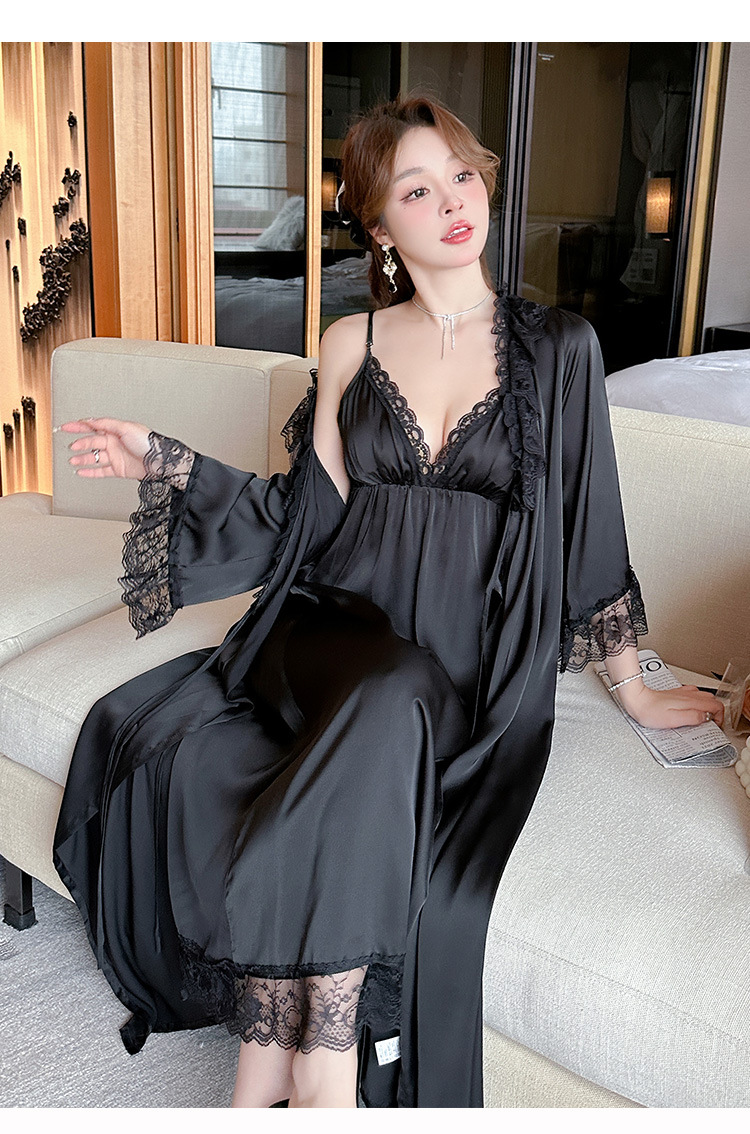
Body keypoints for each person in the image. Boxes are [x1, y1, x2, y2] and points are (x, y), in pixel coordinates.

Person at [53, 95, 724, 1109]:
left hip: (466, 662)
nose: (452, 201)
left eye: (461, 174)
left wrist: (632, 684)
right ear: (379, 229)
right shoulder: (349, 342)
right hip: (325, 627)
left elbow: (589, 526)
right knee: (381, 687)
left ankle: (264, 1070)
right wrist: (167, 459)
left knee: (397, 694)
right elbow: (304, 515)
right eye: (417, 189)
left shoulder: (562, 347)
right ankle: (325, 1072)